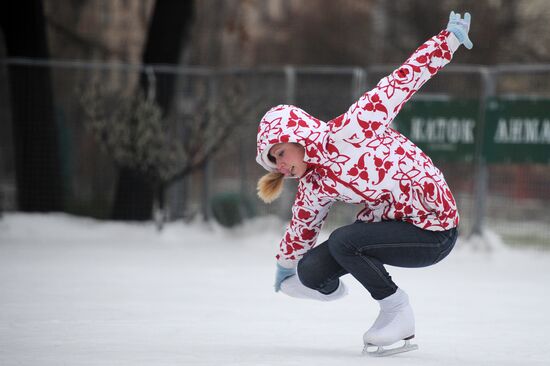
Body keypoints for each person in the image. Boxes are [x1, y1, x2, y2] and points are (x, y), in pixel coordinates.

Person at [255, 11, 472, 356]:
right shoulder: (314, 185)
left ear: (297, 136)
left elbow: (401, 82)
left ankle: (395, 309)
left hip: (433, 227)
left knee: (345, 240)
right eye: (274, 162)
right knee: (310, 271)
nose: (281, 165)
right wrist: (284, 268)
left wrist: (447, 41)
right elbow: (302, 226)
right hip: (392, 225)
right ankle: (363, 294)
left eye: (281, 153)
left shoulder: (352, 129)